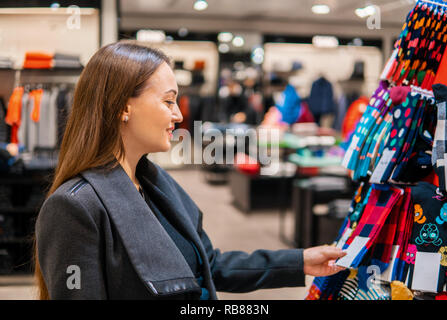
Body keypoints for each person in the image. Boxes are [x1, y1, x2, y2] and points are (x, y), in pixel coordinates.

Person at [34, 41, 346, 300]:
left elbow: (210, 265)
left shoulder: (158, 183)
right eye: (168, 101)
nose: (179, 114)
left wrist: (299, 261)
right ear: (123, 107)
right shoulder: (75, 207)